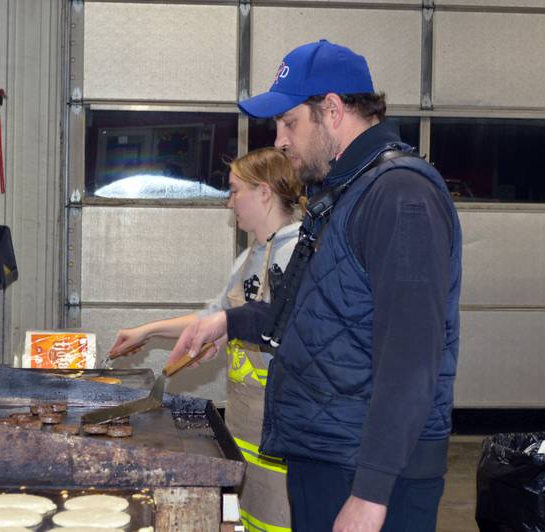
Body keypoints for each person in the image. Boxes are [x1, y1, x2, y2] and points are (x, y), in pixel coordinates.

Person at [168, 40, 462, 532]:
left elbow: (411, 358)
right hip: (326, 455)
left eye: (289, 123)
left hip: (368, 476)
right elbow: (309, 318)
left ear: (331, 109)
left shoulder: (400, 197)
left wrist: (371, 494)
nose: (279, 141)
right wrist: (229, 321)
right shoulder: (345, 195)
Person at [109, 147, 302, 531]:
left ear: (264, 193)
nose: (230, 202)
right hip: (247, 431)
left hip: (284, 437)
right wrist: (148, 331)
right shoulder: (249, 258)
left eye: (235, 191)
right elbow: (210, 319)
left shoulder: (297, 253)